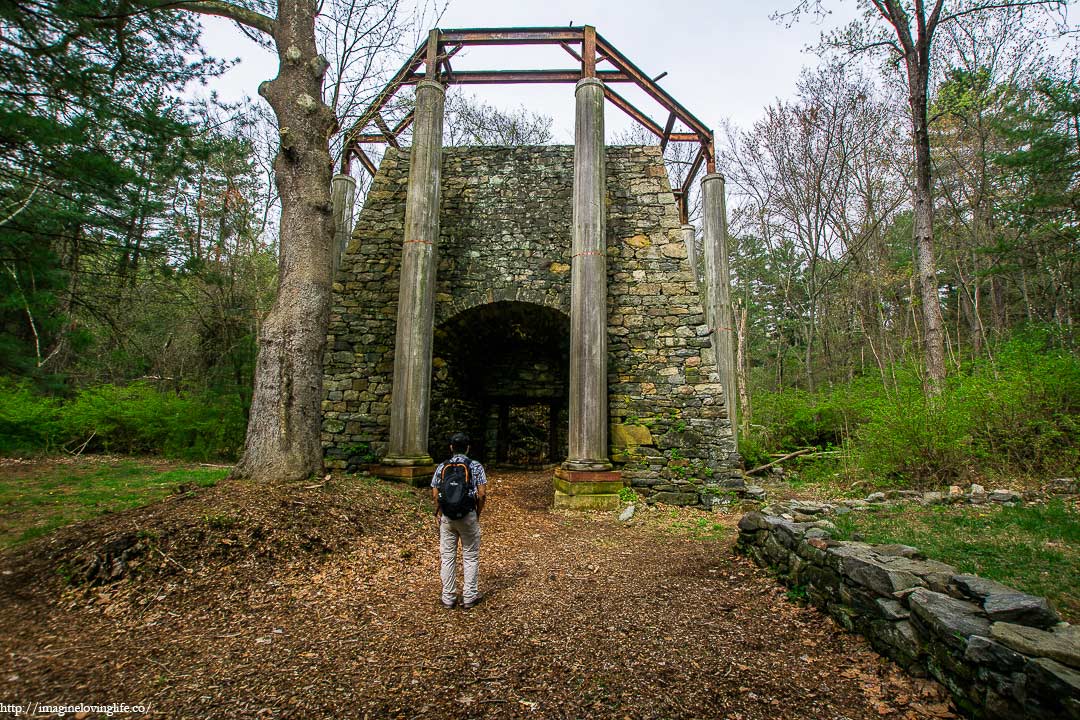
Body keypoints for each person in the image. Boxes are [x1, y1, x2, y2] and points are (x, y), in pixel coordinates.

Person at [431, 432, 487, 609]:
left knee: (447, 557)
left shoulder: (442, 466)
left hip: (447, 517)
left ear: (451, 448)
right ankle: (469, 596)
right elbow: (482, 493)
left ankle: (448, 597)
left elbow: (434, 491)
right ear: (468, 448)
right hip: (468, 514)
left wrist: (441, 511)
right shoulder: (475, 466)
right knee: (470, 556)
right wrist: (477, 513)